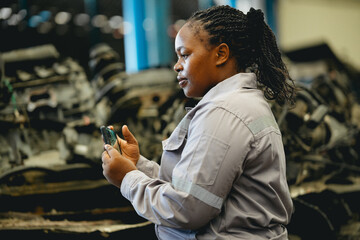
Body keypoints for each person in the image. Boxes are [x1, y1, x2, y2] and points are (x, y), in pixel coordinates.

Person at [101, 5, 295, 240]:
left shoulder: (225, 112)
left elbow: (186, 208)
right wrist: (137, 165)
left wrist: (127, 179)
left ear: (221, 54)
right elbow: (194, 187)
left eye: (185, 54)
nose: (177, 65)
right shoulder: (239, 103)